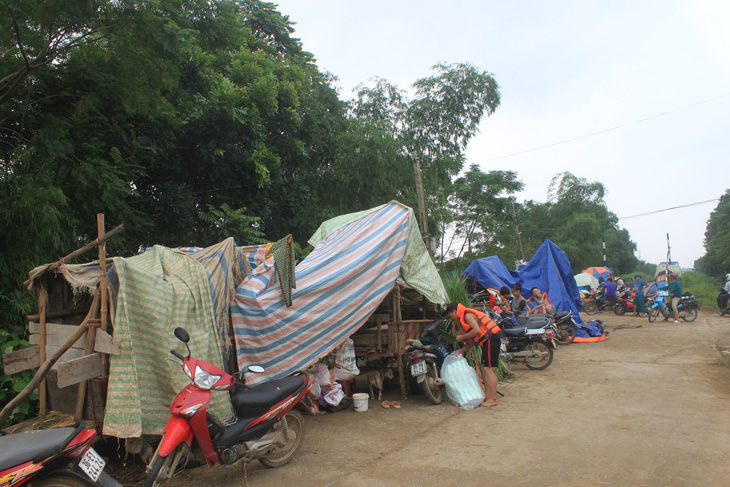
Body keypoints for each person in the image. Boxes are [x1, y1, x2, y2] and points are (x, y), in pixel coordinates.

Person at [446, 302, 501, 407]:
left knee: (487, 369)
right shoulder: (465, 318)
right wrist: (462, 348)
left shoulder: (467, 315)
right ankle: (489, 396)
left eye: (450, 315)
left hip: (491, 340)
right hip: (488, 341)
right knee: (484, 367)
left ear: (454, 312)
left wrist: (461, 338)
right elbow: (474, 336)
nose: (451, 318)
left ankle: (493, 399)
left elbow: (476, 330)